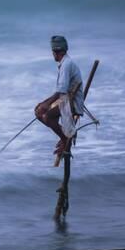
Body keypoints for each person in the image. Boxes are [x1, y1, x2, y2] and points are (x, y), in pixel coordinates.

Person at [34, 36, 84, 165]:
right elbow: (61, 91)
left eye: (53, 52)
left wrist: (47, 104)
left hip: (72, 102)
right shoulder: (65, 63)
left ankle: (65, 137)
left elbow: (61, 90)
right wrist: (44, 103)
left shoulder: (66, 64)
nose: (52, 55)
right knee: (38, 111)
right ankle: (64, 136)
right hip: (66, 99)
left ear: (57, 52)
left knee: (48, 116)